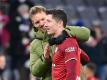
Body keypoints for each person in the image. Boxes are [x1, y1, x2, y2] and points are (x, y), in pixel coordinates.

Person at [29, 5, 90, 80]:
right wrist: (45, 59)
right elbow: (34, 72)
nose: (42, 23)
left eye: (43, 19)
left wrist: (64, 33)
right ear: (33, 24)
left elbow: (86, 33)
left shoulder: (63, 31)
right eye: (37, 22)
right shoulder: (34, 44)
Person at [44, 9, 82, 80]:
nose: (45, 25)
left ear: (60, 23)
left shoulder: (68, 43)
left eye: (48, 21)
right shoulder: (59, 42)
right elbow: (86, 59)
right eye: (45, 22)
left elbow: (72, 75)